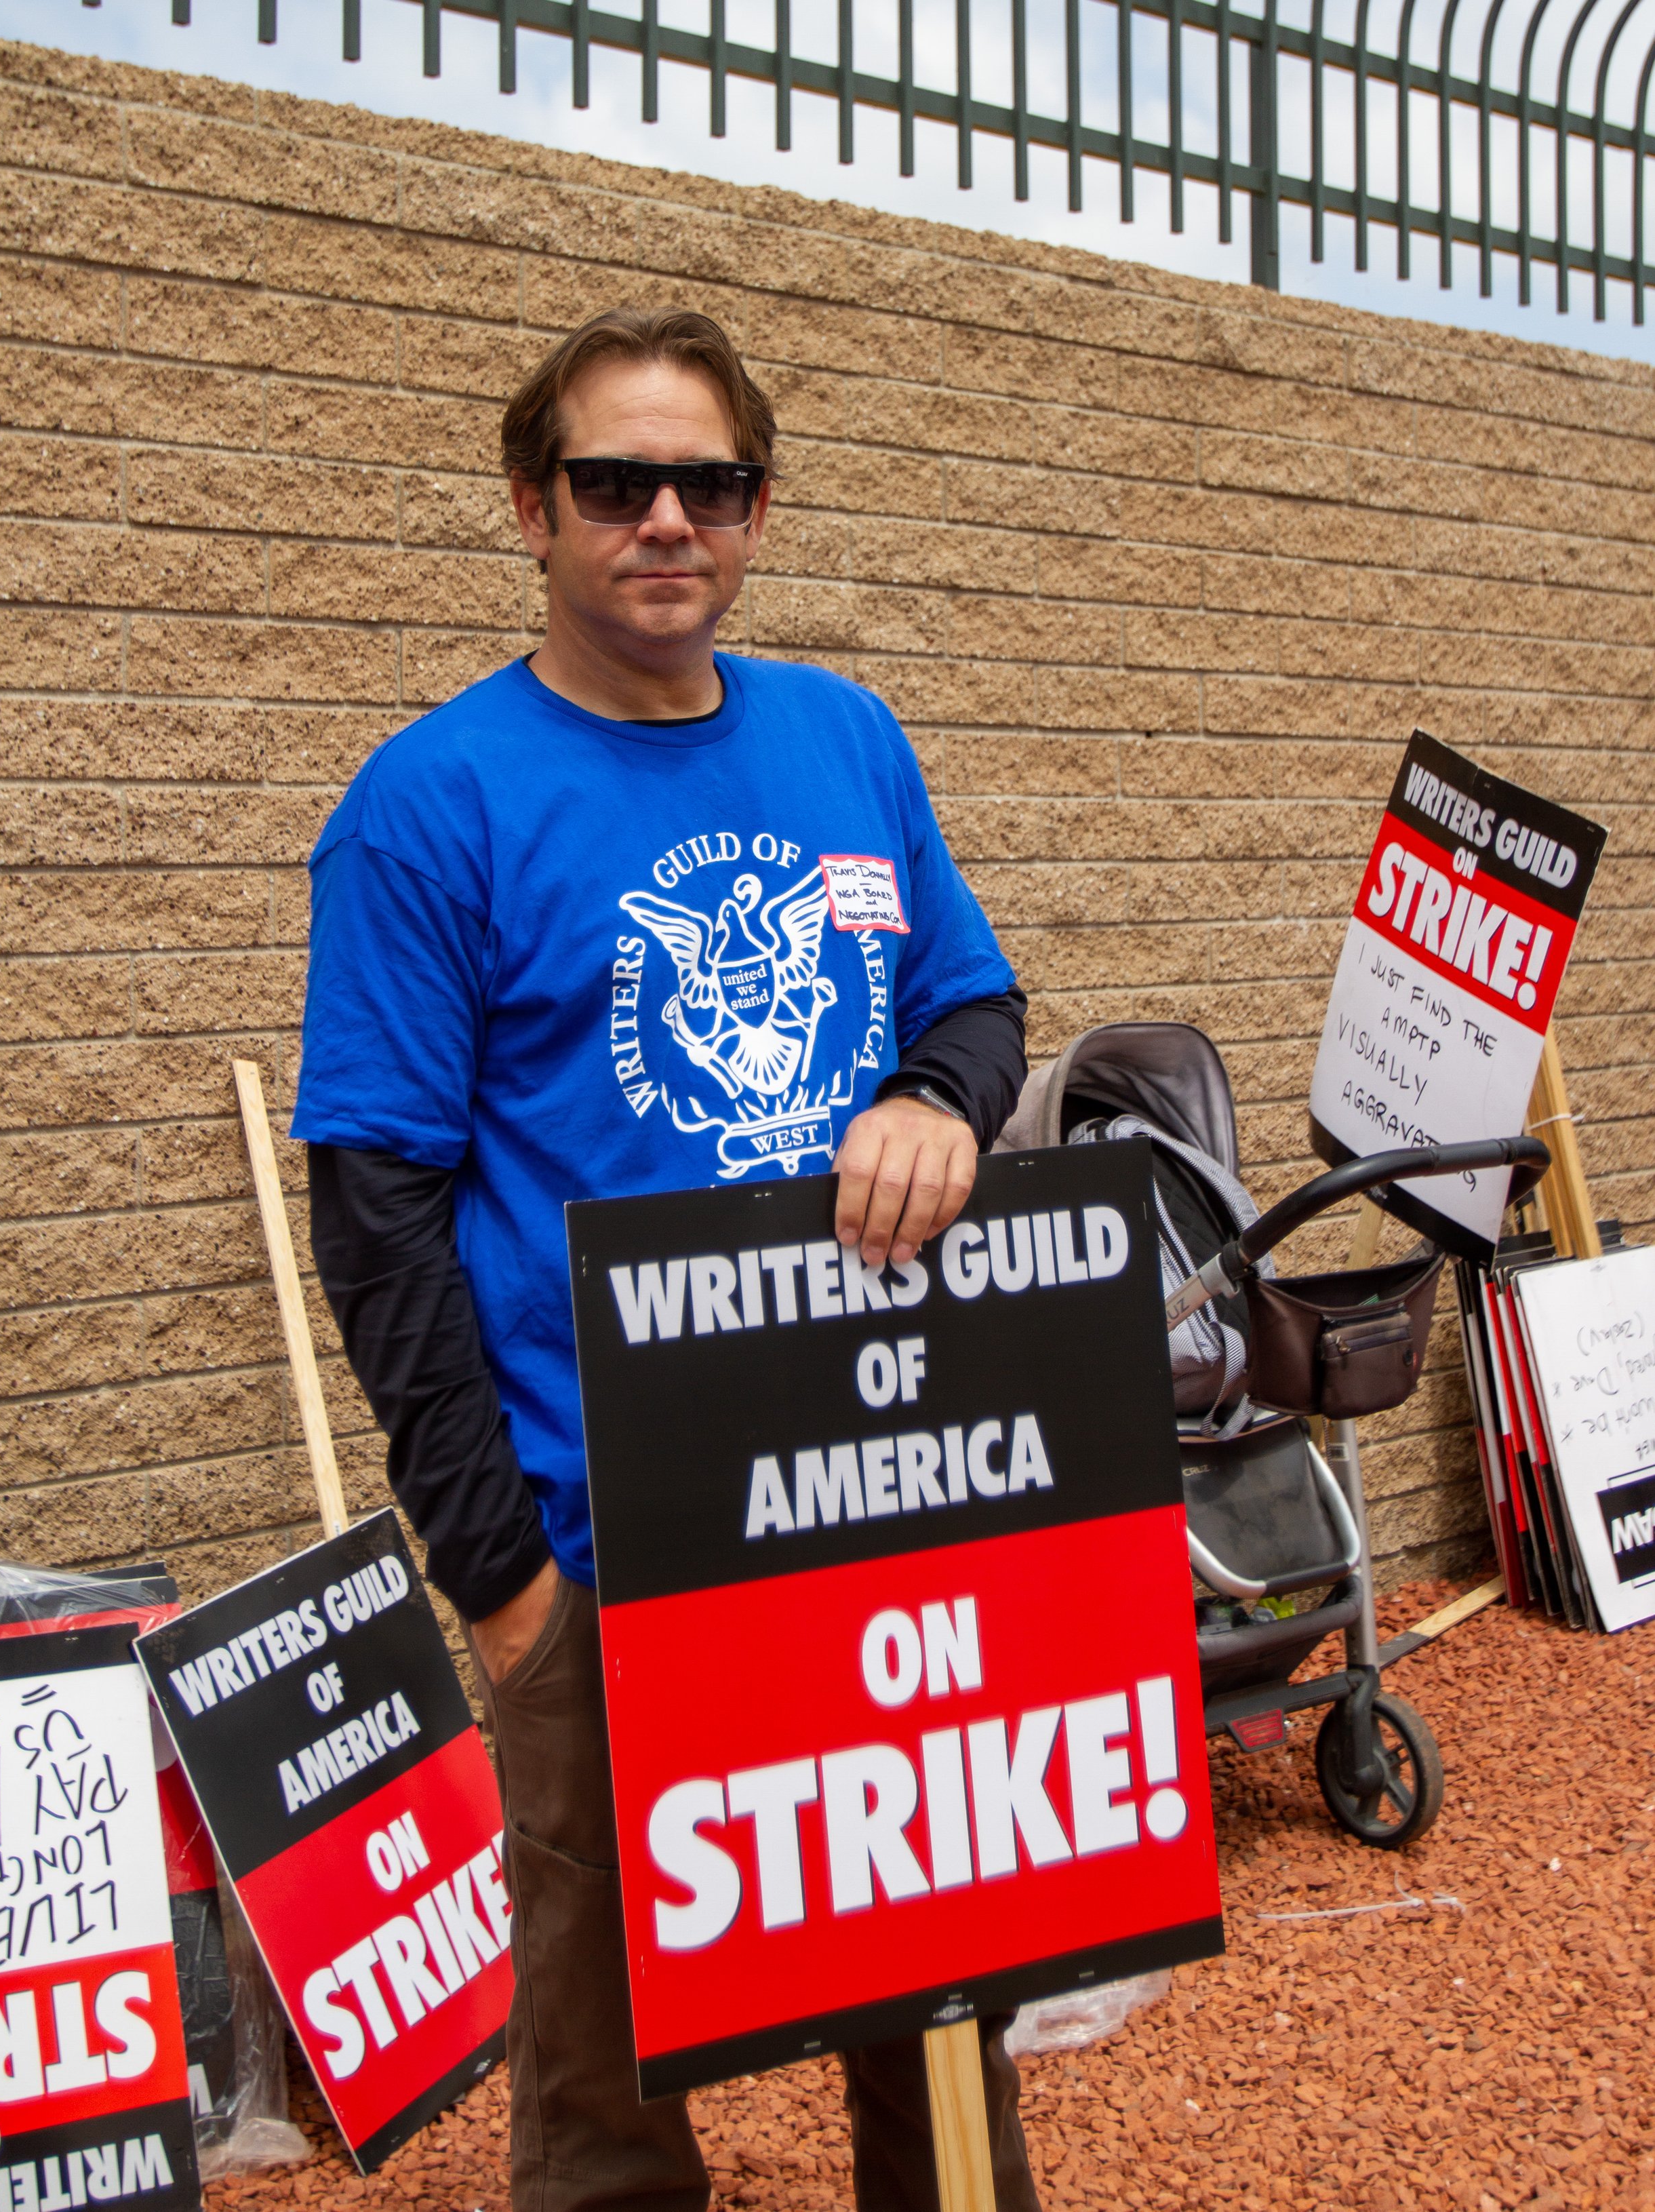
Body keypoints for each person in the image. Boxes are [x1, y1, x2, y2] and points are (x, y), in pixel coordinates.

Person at [292, 307, 1037, 2212]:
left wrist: (941, 1098)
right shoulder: (429, 804)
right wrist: (499, 1573)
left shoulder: (843, 738)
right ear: (532, 510)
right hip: (603, 1538)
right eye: (614, 482)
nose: (664, 520)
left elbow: (967, 997)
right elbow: (376, 1215)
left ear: (758, 510)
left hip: (874, 1494)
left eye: (706, 483)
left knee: (931, 1998)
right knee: (608, 2065)